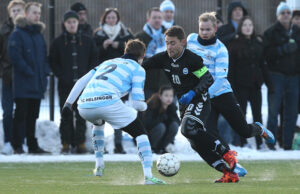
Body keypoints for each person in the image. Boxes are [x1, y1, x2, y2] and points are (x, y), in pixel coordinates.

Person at [143, 25, 243, 183]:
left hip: (199, 99)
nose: (169, 47)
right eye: (167, 43)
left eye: (173, 43)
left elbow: (208, 79)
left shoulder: (192, 59)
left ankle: (227, 154)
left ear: (183, 42)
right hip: (184, 105)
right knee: (195, 143)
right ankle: (228, 172)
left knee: (188, 128)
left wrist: (192, 93)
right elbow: (143, 65)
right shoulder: (163, 58)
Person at [61, 39, 166, 185]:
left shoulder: (107, 62)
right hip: (107, 102)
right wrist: (145, 107)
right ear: (143, 56)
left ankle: (99, 166)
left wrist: (68, 104)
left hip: (84, 105)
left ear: (125, 52)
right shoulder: (138, 68)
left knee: (98, 122)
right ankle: (148, 176)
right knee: (140, 133)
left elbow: (81, 81)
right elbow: (137, 103)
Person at [186, 12, 275, 175]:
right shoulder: (191, 40)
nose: (204, 33)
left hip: (221, 93)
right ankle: (233, 164)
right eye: (202, 29)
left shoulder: (221, 49)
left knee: (244, 131)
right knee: (210, 133)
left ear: (215, 28)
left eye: (208, 29)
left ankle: (259, 129)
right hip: (205, 98)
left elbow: (220, 79)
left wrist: (202, 94)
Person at [49, 10, 98, 154]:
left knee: (82, 114)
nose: (71, 25)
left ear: (78, 23)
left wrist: (89, 77)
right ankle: (65, 143)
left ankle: (80, 143)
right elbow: (52, 61)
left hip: (84, 86)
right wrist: (61, 75)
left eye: (74, 22)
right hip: (65, 85)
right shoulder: (57, 42)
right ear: (64, 24)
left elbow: (94, 59)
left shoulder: (88, 41)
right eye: (69, 22)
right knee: (65, 114)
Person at [8, 2, 49, 154]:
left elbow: (45, 58)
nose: (37, 15)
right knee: (20, 115)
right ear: (26, 14)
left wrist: (44, 74)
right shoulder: (17, 34)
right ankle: (17, 145)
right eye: (34, 13)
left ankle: (32, 145)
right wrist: (29, 72)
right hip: (23, 84)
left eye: (39, 13)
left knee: (33, 116)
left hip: (37, 84)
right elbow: (15, 57)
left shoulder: (39, 35)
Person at [228, 16, 272, 150]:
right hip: (240, 85)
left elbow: (262, 64)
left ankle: (260, 142)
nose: (247, 27)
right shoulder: (234, 44)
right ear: (241, 28)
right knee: (242, 115)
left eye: (250, 25)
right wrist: (232, 86)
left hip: (255, 85)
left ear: (253, 27)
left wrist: (267, 82)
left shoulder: (258, 43)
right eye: (245, 25)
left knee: (257, 114)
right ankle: (243, 142)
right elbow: (232, 68)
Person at [94, 8, 134, 154]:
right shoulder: (97, 34)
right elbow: (93, 54)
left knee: (118, 113)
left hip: (120, 81)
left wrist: (120, 46)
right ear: (104, 19)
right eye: (108, 18)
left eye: (113, 17)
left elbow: (133, 52)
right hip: (102, 81)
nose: (111, 20)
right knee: (100, 114)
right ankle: (100, 145)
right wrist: (102, 47)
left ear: (117, 19)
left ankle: (119, 145)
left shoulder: (126, 34)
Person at [263, 2, 299, 150]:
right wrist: (283, 49)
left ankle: (287, 144)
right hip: (276, 76)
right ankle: (269, 144)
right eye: (282, 13)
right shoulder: (270, 32)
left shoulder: (297, 31)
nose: (285, 15)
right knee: (273, 111)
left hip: (295, 77)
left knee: (291, 112)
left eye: (288, 13)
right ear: (278, 15)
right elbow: (265, 55)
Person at [0, 0, 25, 155]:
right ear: (10, 13)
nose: (16, 13)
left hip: (23, 79)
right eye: (14, 10)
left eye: (19, 10)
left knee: (21, 112)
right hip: (8, 78)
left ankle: (20, 143)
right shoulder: (3, 31)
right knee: (8, 111)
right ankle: (8, 141)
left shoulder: (27, 30)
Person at [136, 7, 169, 99]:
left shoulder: (169, 36)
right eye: (154, 17)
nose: (157, 20)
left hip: (165, 83)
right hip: (146, 83)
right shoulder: (139, 37)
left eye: (159, 17)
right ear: (148, 19)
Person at [143, 85, 179, 154]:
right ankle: (152, 148)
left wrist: (169, 119)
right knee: (161, 127)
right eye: (166, 95)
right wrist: (162, 117)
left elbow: (177, 121)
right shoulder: (151, 105)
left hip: (163, 135)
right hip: (149, 135)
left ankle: (163, 148)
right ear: (160, 96)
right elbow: (147, 124)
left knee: (174, 125)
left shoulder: (172, 107)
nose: (169, 98)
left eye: (171, 96)